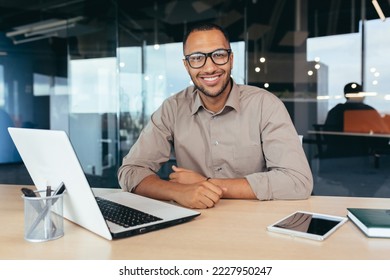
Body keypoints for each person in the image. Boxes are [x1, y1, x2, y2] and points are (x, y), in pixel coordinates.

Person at [118, 23, 313, 209]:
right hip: (193, 222)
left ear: (231, 59)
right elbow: (130, 172)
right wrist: (177, 191)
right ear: (187, 65)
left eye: (219, 55)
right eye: (196, 58)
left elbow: (297, 181)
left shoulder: (265, 104)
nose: (209, 68)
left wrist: (207, 183)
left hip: (256, 221)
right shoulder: (173, 108)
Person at [323, 82, 389, 157]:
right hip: (361, 156)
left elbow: (326, 135)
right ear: (361, 95)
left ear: (345, 95)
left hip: (333, 155)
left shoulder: (335, 110)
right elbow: (383, 136)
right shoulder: (368, 111)